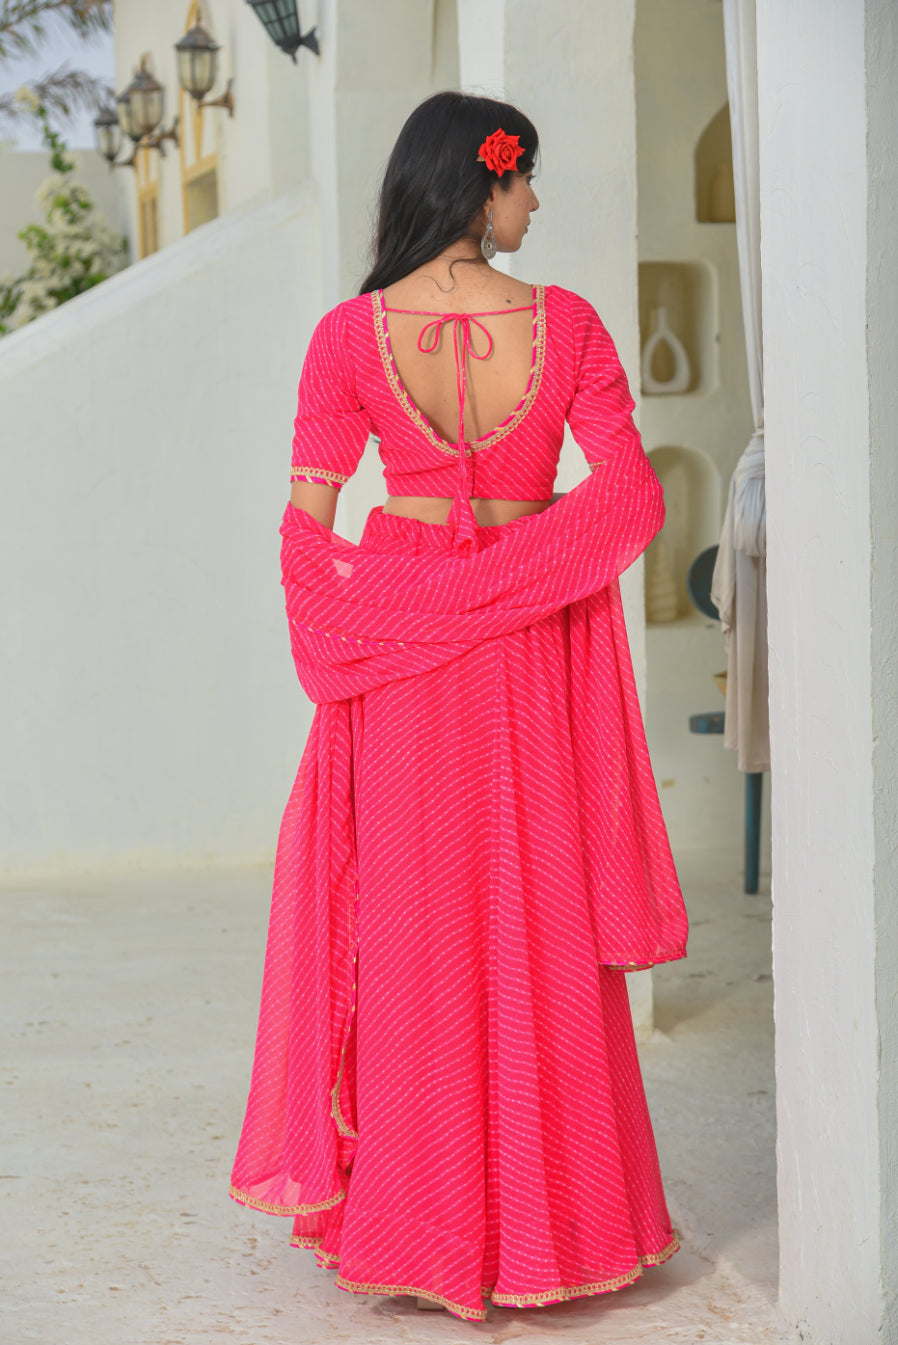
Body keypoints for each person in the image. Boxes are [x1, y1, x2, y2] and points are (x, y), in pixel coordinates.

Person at [230, 91, 689, 1323]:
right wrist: (515, 577)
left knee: (418, 933)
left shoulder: (345, 338)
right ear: (482, 185)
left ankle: (420, 1230)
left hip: (401, 663)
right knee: (537, 921)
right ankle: (555, 1227)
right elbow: (630, 500)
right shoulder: (572, 327)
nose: (534, 202)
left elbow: (303, 537)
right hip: (528, 662)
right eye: (525, 181)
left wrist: (400, 606)